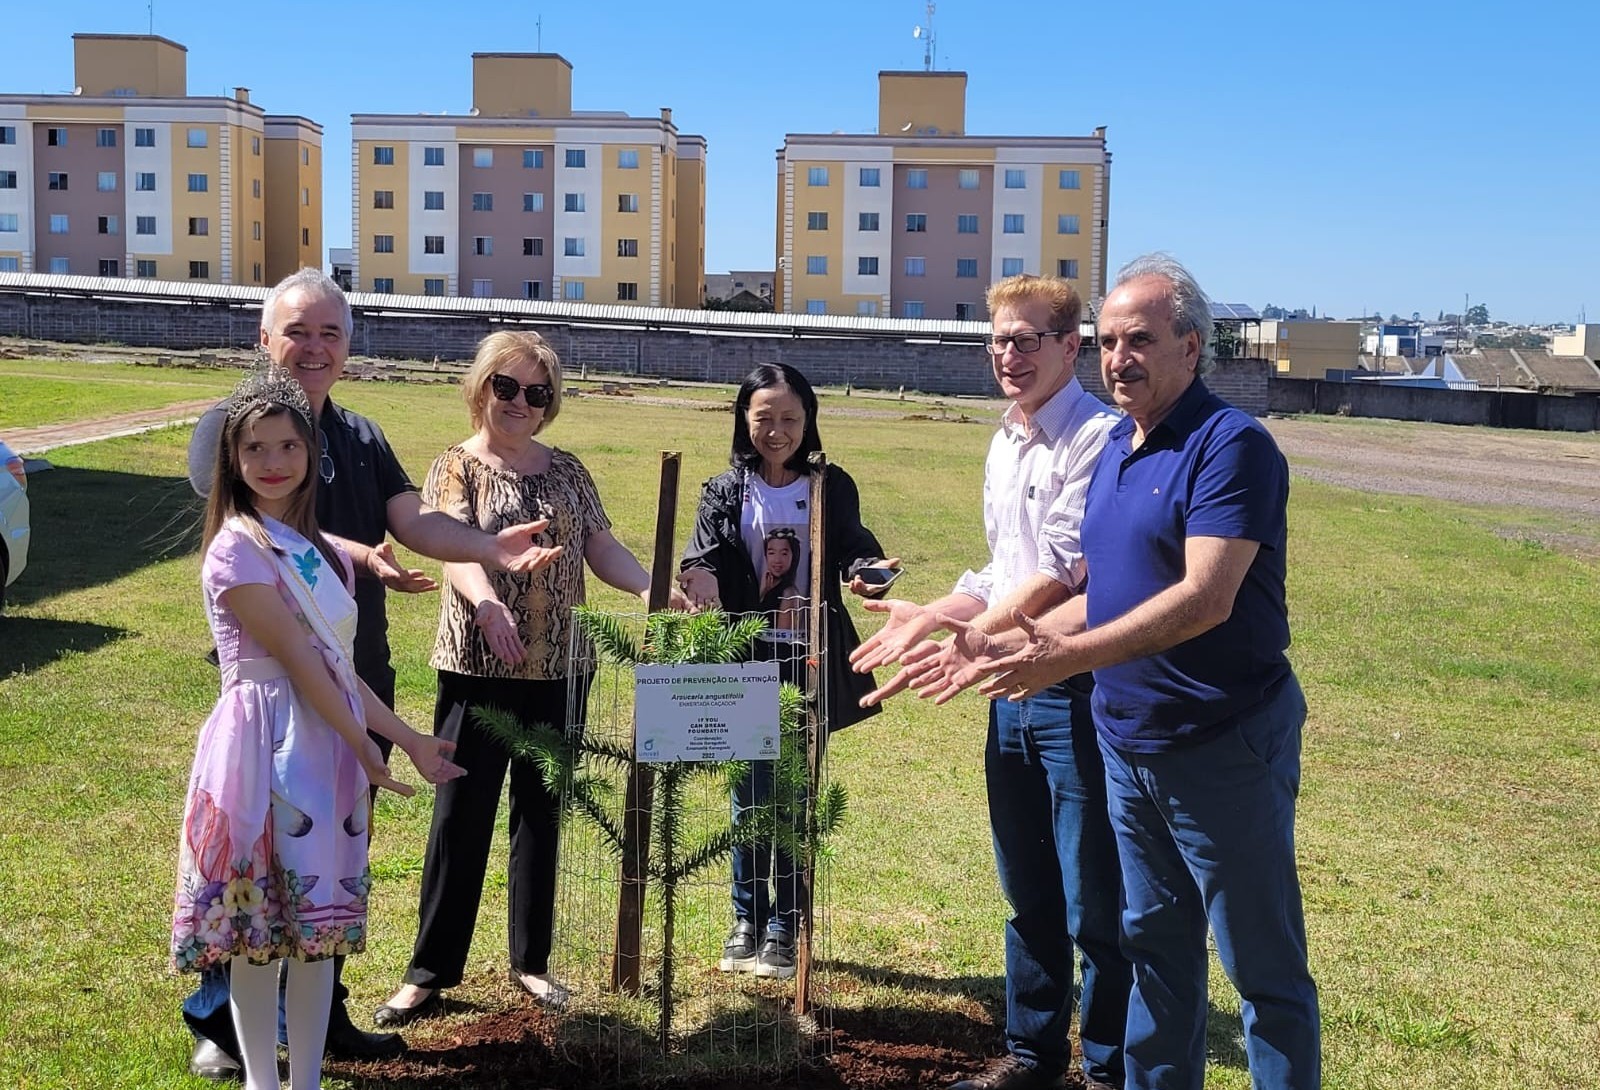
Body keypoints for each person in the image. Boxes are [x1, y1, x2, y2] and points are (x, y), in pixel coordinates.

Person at [920, 255, 1321, 1090]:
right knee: (1155, 951)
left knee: (1261, 966)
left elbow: (1204, 599)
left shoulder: (1230, 445)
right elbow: (1093, 593)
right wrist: (991, 643)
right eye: (1108, 342)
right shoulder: (1120, 452)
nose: (1119, 358)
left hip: (1221, 740)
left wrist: (1063, 657)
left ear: (1192, 346)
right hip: (1129, 746)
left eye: (1139, 339)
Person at [182, 268, 560, 1080]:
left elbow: (408, 518)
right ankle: (223, 1022)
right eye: (298, 331)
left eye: (331, 333)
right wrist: (354, 556)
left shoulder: (356, 435)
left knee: (323, 858)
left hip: (356, 662)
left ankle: (324, 1017)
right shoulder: (235, 426)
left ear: (348, 346)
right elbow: (262, 528)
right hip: (276, 689)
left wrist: (483, 547)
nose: (314, 348)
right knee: (253, 854)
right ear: (264, 339)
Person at [850, 274, 1129, 1090]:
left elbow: (1060, 573)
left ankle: (1107, 1069)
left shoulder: (1096, 438)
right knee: (1026, 883)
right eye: (999, 339)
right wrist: (935, 614)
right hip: (1010, 687)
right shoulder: (1007, 437)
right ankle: (1033, 1055)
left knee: (1094, 897)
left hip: (1073, 683)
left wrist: (973, 638)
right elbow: (1000, 567)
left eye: (1027, 339)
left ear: (1070, 347)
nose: (1008, 355)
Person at [171, 367, 466, 1090]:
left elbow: (337, 669)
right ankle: (261, 1082)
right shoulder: (235, 548)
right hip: (261, 748)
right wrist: (365, 751)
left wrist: (408, 737)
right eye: (255, 450)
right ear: (231, 463)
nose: (273, 464)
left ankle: (303, 1081)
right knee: (256, 935)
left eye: (288, 448)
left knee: (312, 938)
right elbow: (301, 663)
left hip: (321, 741)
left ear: (310, 455)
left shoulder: (320, 549)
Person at [374, 331, 681, 1023]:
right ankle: (427, 972)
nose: (519, 403)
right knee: (461, 819)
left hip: (560, 669)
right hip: (476, 668)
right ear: (480, 387)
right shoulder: (455, 466)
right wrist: (486, 605)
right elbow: (450, 544)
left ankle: (531, 964)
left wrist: (648, 591)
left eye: (536, 393)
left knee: (540, 819)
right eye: (505, 387)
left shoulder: (567, 470)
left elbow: (600, 545)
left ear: (550, 404)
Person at [677, 362, 896, 980]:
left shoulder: (830, 484)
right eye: (764, 419)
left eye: (790, 419)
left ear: (808, 420)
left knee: (794, 792)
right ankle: (746, 917)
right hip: (746, 654)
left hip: (809, 658)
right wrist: (697, 576)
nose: (777, 431)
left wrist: (867, 570)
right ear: (745, 422)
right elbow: (703, 552)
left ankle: (786, 922)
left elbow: (855, 544)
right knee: (748, 793)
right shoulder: (724, 489)